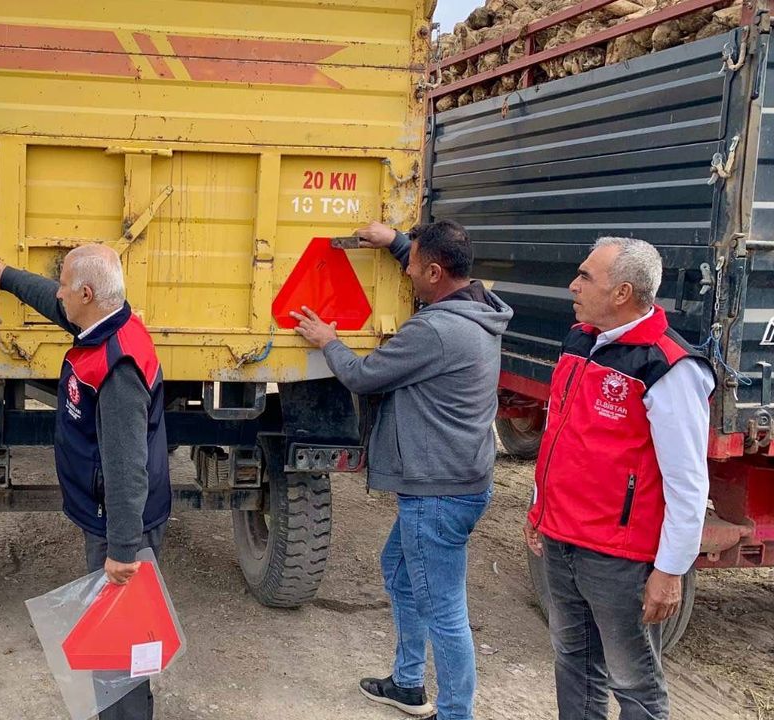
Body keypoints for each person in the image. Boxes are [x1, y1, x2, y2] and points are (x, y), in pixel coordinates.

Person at [291, 220, 512, 720]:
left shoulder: (434, 331)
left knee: (445, 610)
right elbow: (426, 262)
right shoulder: (480, 307)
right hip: (459, 480)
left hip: (438, 493)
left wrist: (328, 340)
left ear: (435, 272)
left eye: (412, 264)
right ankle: (408, 684)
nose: (406, 270)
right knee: (399, 570)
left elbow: (363, 376)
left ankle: (455, 713)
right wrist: (394, 242)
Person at [0, 243, 170, 720]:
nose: (59, 294)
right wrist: (3, 274)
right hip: (108, 514)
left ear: (88, 294)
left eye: (65, 286)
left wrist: (123, 548)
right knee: (115, 631)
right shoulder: (107, 322)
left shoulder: (117, 366)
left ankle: (126, 716)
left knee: (121, 638)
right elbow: (52, 303)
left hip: (120, 523)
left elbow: (126, 466)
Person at [523, 237, 712, 720]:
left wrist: (669, 571)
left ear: (623, 292)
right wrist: (539, 506)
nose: (573, 285)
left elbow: (687, 483)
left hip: (618, 558)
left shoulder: (668, 367)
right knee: (573, 663)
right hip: (562, 539)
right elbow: (557, 433)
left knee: (634, 684)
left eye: (585, 276)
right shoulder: (580, 340)